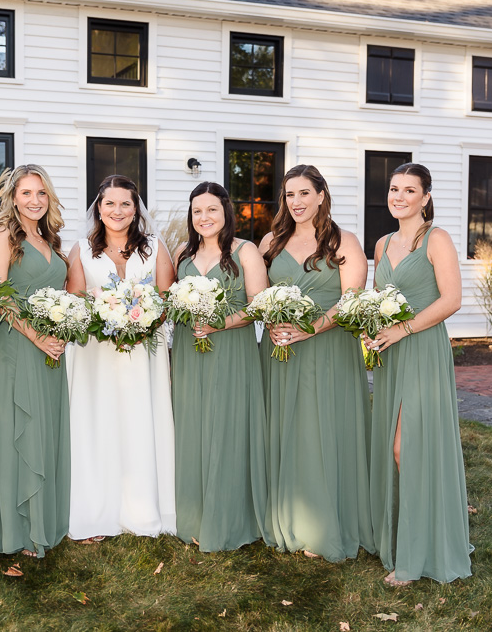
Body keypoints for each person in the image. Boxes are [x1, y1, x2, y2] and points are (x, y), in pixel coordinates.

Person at [258, 165, 375, 561]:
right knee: (287, 429)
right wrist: (273, 321)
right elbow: (257, 295)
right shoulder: (270, 242)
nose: (297, 202)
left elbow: (351, 300)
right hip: (281, 352)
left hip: (328, 351)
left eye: (305, 193)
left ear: (322, 195)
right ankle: (290, 516)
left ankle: (328, 523)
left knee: (324, 430)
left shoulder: (345, 242)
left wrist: (311, 329)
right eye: (290, 195)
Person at [367, 162, 472, 585]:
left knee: (406, 447)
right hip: (392, 352)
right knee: (398, 447)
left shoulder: (437, 239)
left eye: (410, 190)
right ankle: (410, 537)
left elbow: (452, 300)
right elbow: (379, 298)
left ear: (425, 198)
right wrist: (373, 327)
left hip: (423, 348)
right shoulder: (381, 243)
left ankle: (417, 554)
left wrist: (403, 328)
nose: (399, 196)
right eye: (394, 189)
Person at [65, 175, 177, 540]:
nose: (117, 211)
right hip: (96, 353)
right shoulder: (80, 250)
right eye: (109, 203)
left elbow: (165, 298)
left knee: (141, 417)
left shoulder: (155, 247)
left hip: (144, 351)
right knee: (99, 420)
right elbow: (77, 301)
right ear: (98, 207)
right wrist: (106, 317)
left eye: (125, 204)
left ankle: (143, 507)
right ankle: (96, 508)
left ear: (136, 209)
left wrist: (141, 322)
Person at [171, 181, 269, 552]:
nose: (204, 217)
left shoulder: (246, 250)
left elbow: (258, 305)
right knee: (193, 424)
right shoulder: (181, 252)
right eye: (197, 210)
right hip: (189, 350)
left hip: (230, 350)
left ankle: (228, 516)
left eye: (212, 209)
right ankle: (193, 514)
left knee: (226, 426)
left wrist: (220, 323)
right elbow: (167, 298)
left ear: (226, 211)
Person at [0, 164, 71, 557]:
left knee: (45, 426)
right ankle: (19, 528)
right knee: (21, 425)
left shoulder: (49, 238)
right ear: (12, 198)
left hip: (50, 347)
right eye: (26, 193)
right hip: (19, 344)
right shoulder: (5, 234)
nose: (35, 201)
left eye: (41, 193)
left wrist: (63, 328)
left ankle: (43, 517)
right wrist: (36, 336)